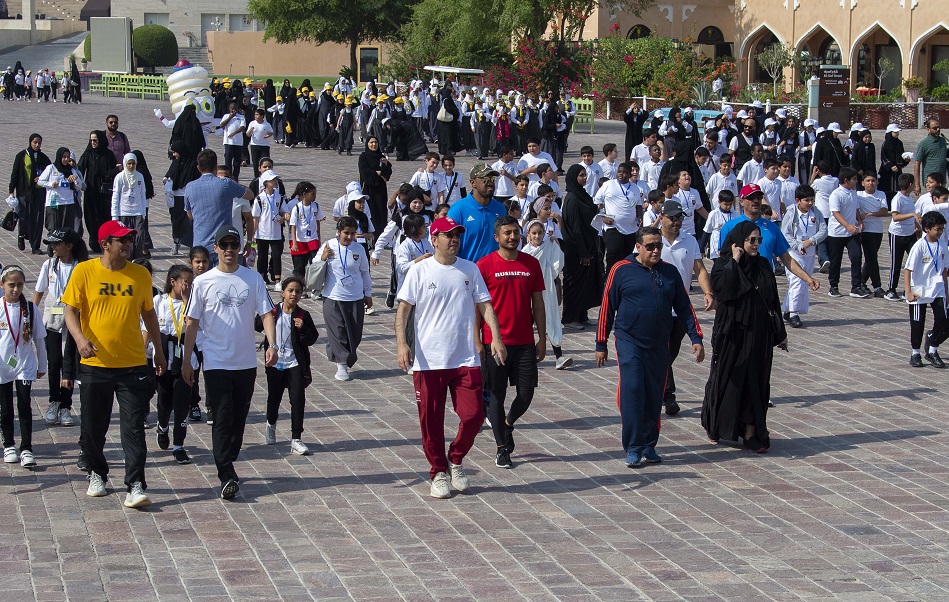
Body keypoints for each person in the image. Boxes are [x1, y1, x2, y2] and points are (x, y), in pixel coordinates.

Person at [395, 216, 506, 498]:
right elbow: (404, 310)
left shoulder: (470, 269)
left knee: (474, 416)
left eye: (457, 235)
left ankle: (455, 458)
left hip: (465, 358)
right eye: (448, 235)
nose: (454, 239)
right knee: (431, 422)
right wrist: (402, 345)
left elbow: (485, 305)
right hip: (429, 361)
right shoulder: (419, 271)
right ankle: (438, 472)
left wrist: (496, 337)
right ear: (434, 240)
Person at [62, 220, 166, 508]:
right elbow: (70, 311)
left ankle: (135, 484)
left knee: (134, 427)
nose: (128, 244)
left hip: (132, 363)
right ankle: (97, 473)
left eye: (129, 239)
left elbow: (149, 316)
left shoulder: (140, 274)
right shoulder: (84, 271)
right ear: (105, 244)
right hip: (95, 363)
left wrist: (158, 352)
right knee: (93, 426)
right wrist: (80, 339)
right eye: (121, 240)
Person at [596, 226, 704, 468]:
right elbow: (607, 307)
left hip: (659, 344)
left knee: (654, 395)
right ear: (638, 247)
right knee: (633, 390)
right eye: (650, 246)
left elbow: (684, 307)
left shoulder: (669, 272)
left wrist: (696, 338)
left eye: (658, 246)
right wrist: (600, 343)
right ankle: (633, 446)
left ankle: (648, 445)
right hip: (629, 341)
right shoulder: (620, 270)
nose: (655, 251)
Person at [183, 225, 276, 500]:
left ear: (240, 248)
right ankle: (226, 474)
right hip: (216, 362)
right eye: (223, 245)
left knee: (238, 418)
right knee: (222, 415)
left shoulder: (252, 278)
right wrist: (187, 360)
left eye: (233, 245)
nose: (229, 250)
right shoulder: (203, 282)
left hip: (245, 361)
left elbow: (267, 314)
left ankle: (229, 456)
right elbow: (191, 322)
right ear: (216, 248)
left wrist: (272, 345)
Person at [703, 221, 787, 453]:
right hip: (733, 333)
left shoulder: (763, 265)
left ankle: (751, 434)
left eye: (759, 240)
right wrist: (735, 261)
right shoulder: (723, 264)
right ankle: (717, 425)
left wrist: (780, 333)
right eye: (751, 240)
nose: (756, 244)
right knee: (728, 379)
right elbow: (723, 289)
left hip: (759, 333)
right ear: (738, 242)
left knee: (757, 383)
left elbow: (773, 299)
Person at [476, 216, 546, 469]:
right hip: (495, 342)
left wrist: (542, 338)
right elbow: (477, 307)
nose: (513, 237)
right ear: (497, 237)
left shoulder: (531, 264)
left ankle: (507, 424)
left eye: (516, 232)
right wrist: (477, 340)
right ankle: (501, 448)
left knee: (526, 393)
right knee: (497, 393)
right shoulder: (484, 265)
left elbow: (538, 303)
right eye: (507, 233)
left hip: (525, 340)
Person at [657, 201, 714, 416]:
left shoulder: (689, 241)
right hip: (656, 308)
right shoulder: (652, 240)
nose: (676, 222)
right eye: (672, 217)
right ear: (662, 217)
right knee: (662, 352)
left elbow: (699, 270)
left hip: (680, 309)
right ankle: (668, 396)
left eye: (679, 218)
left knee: (670, 353)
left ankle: (657, 387)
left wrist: (708, 293)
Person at [718, 185, 820, 293]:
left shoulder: (772, 228)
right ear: (742, 201)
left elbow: (787, 259)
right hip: (739, 285)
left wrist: (808, 279)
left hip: (764, 284)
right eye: (751, 197)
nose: (756, 201)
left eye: (759, 197)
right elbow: (722, 258)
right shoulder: (729, 227)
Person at [257, 276, 319, 455]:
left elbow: (312, 338)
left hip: (295, 363)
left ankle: (296, 439)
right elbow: (257, 325)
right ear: (282, 292)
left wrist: (303, 328)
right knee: (274, 398)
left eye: (298, 291)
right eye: (290, 290)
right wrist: (264, 318)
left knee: (297, 399)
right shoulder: (272, 311)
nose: (294, 294)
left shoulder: (303, 315)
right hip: (275, 362)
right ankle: (271, 424)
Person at [34, 228, 87, 427]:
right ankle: (54, 401)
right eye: (52, 244)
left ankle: (66, 405)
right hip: (52, 319)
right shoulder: (49, 265)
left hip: (73, 319)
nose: (53, 247)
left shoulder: (81, 267)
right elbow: (39, 292)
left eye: (57, 244)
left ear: (69, 246)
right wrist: (30, 315)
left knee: (69, 363)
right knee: (54, 362)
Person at [150, 265, 198, 465]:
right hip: (164, 359)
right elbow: (148, 328)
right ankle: (162, 426)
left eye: (191, 283)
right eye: (185, 282)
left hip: (185, 361)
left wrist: (188, 302)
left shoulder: (194, 304)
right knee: (164, 401)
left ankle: (179, 445)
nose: (188, 286)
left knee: (182, 404)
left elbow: (196, 328)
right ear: (173, 282)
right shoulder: (159, 302)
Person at [0, 265, 46, 469]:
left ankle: (27, 448)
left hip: (25, 365)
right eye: (11, 285)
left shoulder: (30, 308)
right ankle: (9, 445)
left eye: (19, 285)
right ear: (2, 285)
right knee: (5, 407)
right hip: (3, 366)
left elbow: (39, 339)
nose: (16, 289)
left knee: (25, 405)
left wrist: (42, 364)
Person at [320, 217, 372, 382]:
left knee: (355, 334)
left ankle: (340, 354)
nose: (349, 237)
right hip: (333, 296)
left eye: (353, 233)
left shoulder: (359, 249)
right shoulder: (329, 245)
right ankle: (342, 363)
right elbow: (314, 266)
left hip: (355, 297)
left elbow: (365, 272)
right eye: (346, 233)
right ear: (339, 232)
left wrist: (368, 293)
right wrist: (322, 257)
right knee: (337, 331)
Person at [185, 149, 255, 264]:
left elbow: (190, 215)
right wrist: (233, 184)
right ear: (215, 166)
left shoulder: (189, 187)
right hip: (222, 244)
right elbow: (250, 195)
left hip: (200, 244)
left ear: (198, 168)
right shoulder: (226, 184)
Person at [560, 164, 603, 330]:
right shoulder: (572, 199)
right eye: (581, 175)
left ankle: (582, 315)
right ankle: (570, 317)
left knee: (586, 282)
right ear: (573, 177)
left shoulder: (582, 194)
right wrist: (583, 252)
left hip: (588, 245)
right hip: (576, 249)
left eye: (585, 175)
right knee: (574, 283)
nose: (584, 178)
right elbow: (575, 228)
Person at [522, 219, 570, 369]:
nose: (537, 236)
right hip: (530, 290)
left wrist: (550, 273)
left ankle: (559, 356)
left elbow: (558, 260)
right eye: (534, 233)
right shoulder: (524, 252)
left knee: (552, 318)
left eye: (540, 233)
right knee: (527, 321)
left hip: (546, 288)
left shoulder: (549, 245)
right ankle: (527, 355)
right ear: (528, 234)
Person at [905, 211, 949, 368]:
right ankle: (915, 353)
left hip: (937, 289)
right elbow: (908, 270)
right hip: (919, 289)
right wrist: (908, 292)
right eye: (937, 229)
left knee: (943, 320)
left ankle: (933, 349)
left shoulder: (943, 245)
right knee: (918, 322)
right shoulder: (919, 246)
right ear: (927, 229)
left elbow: (944, 271)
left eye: (942, 229)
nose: (940, 232)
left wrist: (946, 292)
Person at [780, 185, 826, 328]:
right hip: (794, 253)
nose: (810, 203)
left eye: (812, 200)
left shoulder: (816, 212)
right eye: (807, 200)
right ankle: (794, 314)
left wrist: (811, 241)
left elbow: (823, 230)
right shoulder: (791, 212)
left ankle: (787, 309)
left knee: (805, 281)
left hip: (810, 252)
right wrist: (797, 245)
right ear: (798, 200)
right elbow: (785, 233)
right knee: (797, 280)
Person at [446, 163, 508, 262]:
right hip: (467, 269)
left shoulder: (500, 209)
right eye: (485, 179)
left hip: (494, 269)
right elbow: (448, 245)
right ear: (473, 182)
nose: (490, 182)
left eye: (493, 179)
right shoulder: (458, 210)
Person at [825, 167, 867, 299]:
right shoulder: (836, 194)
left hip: (852, 233)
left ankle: (856, 286)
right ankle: (833, 286)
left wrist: (859, 220)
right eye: (854, 179)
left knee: (856, 256)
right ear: (846, 180)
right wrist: (847, 225)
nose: (856, 181)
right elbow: (836, 213)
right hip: (837, 233)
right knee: (836, 260)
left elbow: (856, 209)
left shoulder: (853, 192)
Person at [594, 162, 643, 272]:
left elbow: (638, 205)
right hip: (613, 227)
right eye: (619, 172)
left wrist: (640, 216)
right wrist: (603, 216)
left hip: (630, 229)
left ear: (630, 174)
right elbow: (597, 202)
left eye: (625, 172)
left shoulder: (635, 188)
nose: (621, 174)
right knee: (613, 254)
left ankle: (624, 278)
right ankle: (610, 277)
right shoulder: (608, 185)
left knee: (627, 257)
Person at [9, 134, 51, 254]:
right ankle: (21, 235)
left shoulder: (43, 158)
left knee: (37, 219)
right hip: (24, 191)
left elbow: (50, 171)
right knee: (23, 217)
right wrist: (11, 190)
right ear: (30, 142)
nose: (37, 145)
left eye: (39, 143)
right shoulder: (21, 156)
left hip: (39, 192)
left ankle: (35, 246)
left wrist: (41, 178)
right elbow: (15, 174)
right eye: (35, 142)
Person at [78, 131, 118, 253]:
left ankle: (105, 241)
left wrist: (113, 171)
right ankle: (94, 241)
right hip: (91, 191)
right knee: (91, 217)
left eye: (95, 140)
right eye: (91, 140)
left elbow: (113, 172)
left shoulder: (108, 154)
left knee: (105, 216)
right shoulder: (88, 154)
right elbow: (80, 170)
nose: (93, 143)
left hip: (105, 193)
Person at [885, 173, 919, 301]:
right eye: (914, 183)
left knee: (915, 260)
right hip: (897, 234)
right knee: (896, 263)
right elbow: (895, 217)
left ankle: (908, 289)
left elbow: (911, 215)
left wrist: (917, 226)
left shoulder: (909, 198)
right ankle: (891, 289)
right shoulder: (897, 198)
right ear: (910, 184)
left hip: (910, 234)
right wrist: (912, 215)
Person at [38, 146, 84, 238]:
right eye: (64, 157)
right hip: (54, 203)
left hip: (68, 202)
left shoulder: (71, 170)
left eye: (68, 157)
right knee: (53, 229)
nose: (66, 159)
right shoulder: (51, 168)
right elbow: (40, 181)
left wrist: (75, 179)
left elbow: (79, 187)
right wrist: (51, 184)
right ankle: (52, 246)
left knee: (66, 230)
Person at [857, 173, 889, 297]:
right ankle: (877, 286)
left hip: (878, 230)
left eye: (873, 180)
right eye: (868, 180)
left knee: (871, 258)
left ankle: (861, 282)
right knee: (872, 258)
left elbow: (884, 211)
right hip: (866, 231)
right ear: (863, 183)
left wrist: (870, 214)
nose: (871, 183)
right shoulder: (858, 195)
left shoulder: (881, 194)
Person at [111, 153, 148, 259]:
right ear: (125, 164)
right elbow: (115, 196)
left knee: (139, 236)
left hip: (137, 212)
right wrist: (115, 216)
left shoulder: (139, 176)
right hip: (124, 213)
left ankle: (137, 258)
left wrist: (143, 213)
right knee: (126, 238)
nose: (131, 166)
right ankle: (127, 258)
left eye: (133, 164)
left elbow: (142, 194)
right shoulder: (119, 177)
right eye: (129, 164)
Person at [288, 180, 325, 282]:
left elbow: (317, 221)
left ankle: (314, 285)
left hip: (312, 239)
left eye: (315, 194)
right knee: (299, 266)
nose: (314, 197)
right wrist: (294, 242)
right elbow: (293, 226)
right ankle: (300, 284)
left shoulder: (316, 206)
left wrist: (319, 238)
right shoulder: (297, 208)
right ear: (304, 194)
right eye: (312, 194)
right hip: (300, 240)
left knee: (315, 263)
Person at [358, 136, 392, 236]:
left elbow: (387, 173)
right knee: (370, 212)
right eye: (371, 142)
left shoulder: (381, 157)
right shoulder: (364, 157)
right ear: (367, 144)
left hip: (380, 190)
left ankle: (380, 236)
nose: (374, 144)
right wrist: (377, 173)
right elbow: (364, 172)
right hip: (368, 189)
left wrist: (386, 165)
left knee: (381, 213)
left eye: (376, 142)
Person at [915, 119, 948, 196]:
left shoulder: (943, 141)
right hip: (931, 181)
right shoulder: (924, 144)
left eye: (939, 127)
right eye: (935, 128)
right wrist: (917, 184)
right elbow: (917, 163)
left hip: (942, 179)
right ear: (928, 129)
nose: (938, 129)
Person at [879, 124, 909, 198]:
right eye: (895, 132)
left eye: (897, 132)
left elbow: (902, 155)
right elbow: (883, 157)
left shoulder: (899, 143)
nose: (897, 134)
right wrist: (890, 166)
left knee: (897, 189)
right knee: (886, 188)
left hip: (897, 170)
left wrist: (905, 161)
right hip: (886, 171)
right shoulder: (885, 144)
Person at [245, 108, 274, 179]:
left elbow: (271, 132)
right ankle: (256, 177)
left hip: (264, 146)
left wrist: (268, 135)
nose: (255, 116)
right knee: (255, 162)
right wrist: (250, 130)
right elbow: (247, 134)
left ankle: (266, 176)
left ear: (262, 116)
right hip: (254, 145)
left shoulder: (266, 124)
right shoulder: (252, 123)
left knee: (265, 161)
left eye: (257, 114)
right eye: (255, 114)